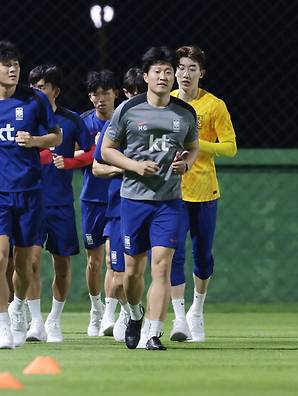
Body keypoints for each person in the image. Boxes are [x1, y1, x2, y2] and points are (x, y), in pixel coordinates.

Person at [0, 41, 61, 350]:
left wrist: (35, 140)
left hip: (30, 191)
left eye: (16, 63)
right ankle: (2, 328)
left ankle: (25, 311)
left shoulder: (35, 100)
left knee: (27, 263)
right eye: (6, 65)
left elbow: (56, 136)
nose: (14, 69)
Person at [101, 46, 199, 351]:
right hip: (133, 200)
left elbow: (193, 146)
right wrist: (134, 166)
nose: (164, 76)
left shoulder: (185, 113)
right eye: (157, 71)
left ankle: (152, 332)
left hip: (169, 202)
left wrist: (187, 163)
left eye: (168, 71)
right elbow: (107, 150)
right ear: (145, 77)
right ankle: (134, 313)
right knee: (132, 272)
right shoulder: (128, 109)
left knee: (162, 265)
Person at [169, 45, 237, 342]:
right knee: (172, 254)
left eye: (191, 68)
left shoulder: (214, 105)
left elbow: (230, 147)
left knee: (202, 256)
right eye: (181, 67)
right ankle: (179, 318)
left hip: (205, 191)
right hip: (171, 192)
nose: (185, 74)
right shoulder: (165, 102)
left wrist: (197, 144)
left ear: (201, 73)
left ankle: (197, 310)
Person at [25, 64, 91, 343]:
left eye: (42, 86)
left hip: (61, 203)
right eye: (33, 87)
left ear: (56, 90)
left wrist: (70, 162)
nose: (36, 91)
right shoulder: (23, 119)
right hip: (30, 200)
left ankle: (54, 319)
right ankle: (35, 321)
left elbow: (92, 153)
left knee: (62, 264)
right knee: (32, 261)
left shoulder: (72, 120)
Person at [92, 67, 147, 342]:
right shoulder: (115, 125)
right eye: (134, 93)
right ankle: (122, 313)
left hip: (147, 205)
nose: (139, 98)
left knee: (137, 267)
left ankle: (136, 316)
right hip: (117, 207)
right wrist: (127, 167)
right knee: (116, 267)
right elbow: (97, 168)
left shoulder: (157, 125)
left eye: (142, 93)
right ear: (126, 94)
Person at [80, 70, 117, 337]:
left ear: (115, 93)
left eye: (105, 92)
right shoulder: (83, 123)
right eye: (95, 94)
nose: (100, 99)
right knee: (94, 261)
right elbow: (67, 153)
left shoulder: (126, 120)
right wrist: (91, 151)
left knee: (114, 260)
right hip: (92, 198)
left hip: (119, 198)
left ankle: (109, 313)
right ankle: (95, 309)